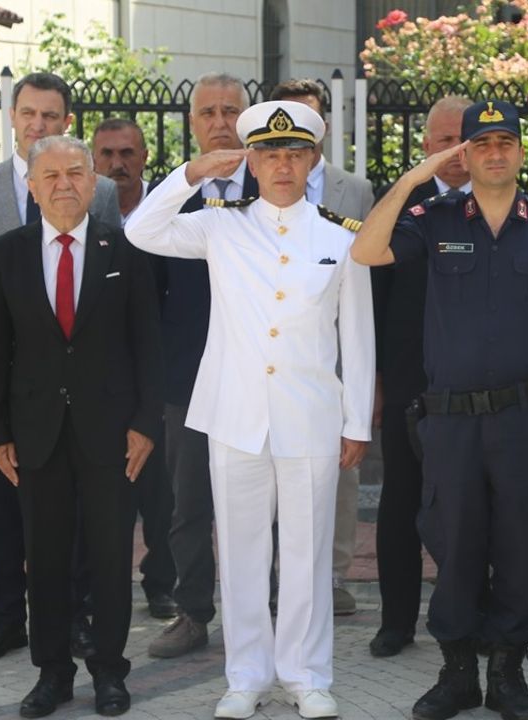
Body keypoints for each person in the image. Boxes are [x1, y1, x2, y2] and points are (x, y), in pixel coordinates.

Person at [126, 100, 374, 720]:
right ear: (252, 162)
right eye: (269, 154)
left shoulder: (342, 235)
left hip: (312, 416)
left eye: (294, 154)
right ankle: (245, 677)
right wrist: (192, 171)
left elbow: (358, 339)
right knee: (238, 553)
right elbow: (141, 231)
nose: (282, 165)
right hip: (235, 415)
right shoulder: (219, 223)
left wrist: (358, 421)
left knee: (307, 555)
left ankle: (307, 675)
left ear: (313, 160)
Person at [353, 99, 528, 720]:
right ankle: (457, 673)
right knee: (453, 545)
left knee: (521, 544)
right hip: (451, 420)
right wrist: (412, 176)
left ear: (518, 150)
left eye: (504, 142)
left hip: (524, 416)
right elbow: (366, 253)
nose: (494, 152)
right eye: (480, 143)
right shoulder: (431, 219)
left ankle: (508, 674)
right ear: (463, 152)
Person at [0, 134, 161, 718]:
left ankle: (110, 671)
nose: (64, 184)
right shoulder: (5, 254)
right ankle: (51, 673)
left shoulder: (126, 250)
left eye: (76, 173)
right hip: (35, 432)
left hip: (111, 432)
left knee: (110, 559)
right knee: (47, 559)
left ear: (94, 182)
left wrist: (145, 423)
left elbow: (147, 346)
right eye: (50, 175)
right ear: (31, 187)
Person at [0, 71, 121, 663]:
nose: (37, 125)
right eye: (28, 114)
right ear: (13, 117)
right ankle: (5, 620)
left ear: (66, 123)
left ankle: (73, 616)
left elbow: (110, 290)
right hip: (2, 379)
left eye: (49, 116)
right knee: (4, 502)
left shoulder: (95, 191)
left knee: (68, 508)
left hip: (74, 385)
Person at [147, 72, 257, 660]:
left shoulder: (276, 189)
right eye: (208, 112)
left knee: (256, 504)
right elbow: (151, 297)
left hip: (258, 381)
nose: (219, 121)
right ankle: (192, 613)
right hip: (188, 384)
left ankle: (256, 612)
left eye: (231, 111)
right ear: (192, 123)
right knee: (187, 506)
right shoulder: (174, 197)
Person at [368, 94, 473, 658]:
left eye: (463, 139)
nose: (455, 153)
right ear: (426, 146)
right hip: (411, 382)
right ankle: (396, 622)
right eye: (442, 141)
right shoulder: (401, 206)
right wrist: (378, 380)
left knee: (471, 507)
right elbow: (373, 299)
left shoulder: (502, 204)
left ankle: (470, 614)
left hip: (477, 386)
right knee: (401, 504)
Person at [269, 78, 376, 616]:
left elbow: (363, 294)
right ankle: (273, 576)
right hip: (268, 367)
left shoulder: (353, 191)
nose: (290, 152)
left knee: (337, 479)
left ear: (324, 132)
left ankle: (331, 577)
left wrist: (361, 391)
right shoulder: (248, 186)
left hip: (328, 366)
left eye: (306, 127)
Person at [90, 116, 178, 621]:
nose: (118, 164)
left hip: (158, 375)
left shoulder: (168, 212)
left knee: (160, 493)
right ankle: (105, 588)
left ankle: (161, 583)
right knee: (105, 494)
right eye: (107, 154)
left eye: (127, 153)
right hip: (100, 380)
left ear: (144, 157)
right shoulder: (84, 212)